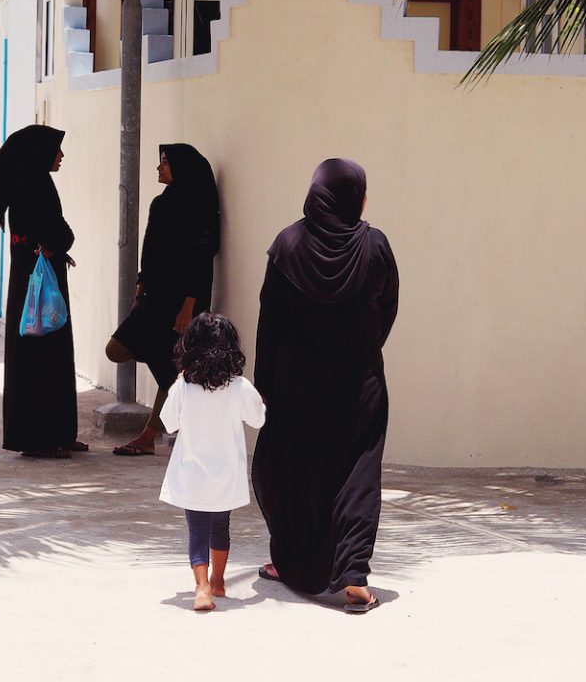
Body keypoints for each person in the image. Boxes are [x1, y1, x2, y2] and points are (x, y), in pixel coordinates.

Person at [251, 158, 399, 612]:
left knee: (292, 472)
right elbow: (387, 310)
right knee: (357, 475)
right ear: (356, 197)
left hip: (296, 385)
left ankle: (292, 562)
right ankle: (353, 575)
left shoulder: (288, 244)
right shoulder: (374, 246)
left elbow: (268, 323)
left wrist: (266, 384)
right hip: (359, 386)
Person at [0, 124, 88, 459]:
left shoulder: (27, 183)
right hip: (38, 283)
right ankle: (39, 439)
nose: (61, 156)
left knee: (50, 351)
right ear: (39, 153)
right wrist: (61, 240)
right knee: (42, 355)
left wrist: (56, 241)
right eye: (56, 149)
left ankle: (59, 433)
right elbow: (60, 235)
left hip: (34, 279)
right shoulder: (34, 185)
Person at [106, 144, 220, 456]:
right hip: (156, 295)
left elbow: (201, 259)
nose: (159, 168)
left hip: (182, 299)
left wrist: (189, 307)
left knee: (174, 362)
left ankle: (148, 437)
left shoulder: (199, 208)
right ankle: (168, 414)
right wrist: (141, 287)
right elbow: (150, 248)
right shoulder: (162, 203)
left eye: (166, 163)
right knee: (121, 349)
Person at [159, 312, 266, 611]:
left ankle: (201, 587)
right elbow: (257, 419)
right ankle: (218, 581)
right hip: (226, 474)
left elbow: (167, 421)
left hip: (192, 472)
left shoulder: (184, 385)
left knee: (197, 531)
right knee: (221, 528)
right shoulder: (238, 386)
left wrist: (178, 384)